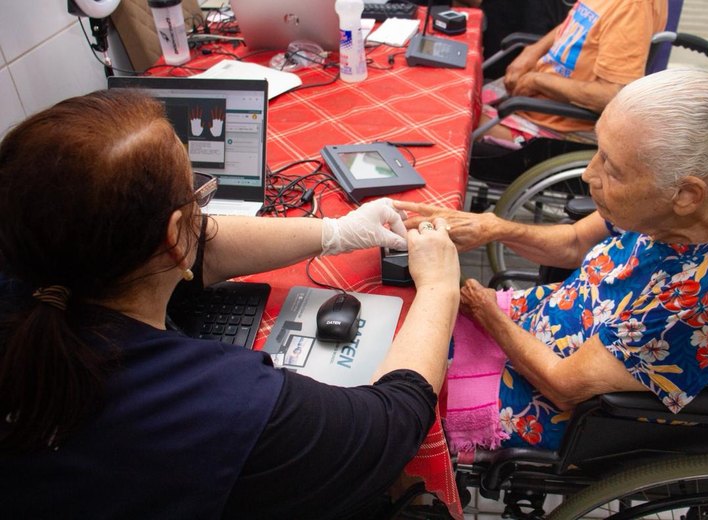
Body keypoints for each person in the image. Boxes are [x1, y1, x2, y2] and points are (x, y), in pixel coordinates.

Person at [0, 90, 461, 518]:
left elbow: (199, 245)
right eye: (200, 196)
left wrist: (337, 232)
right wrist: (440, 286)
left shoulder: (34, 265)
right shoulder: (222, 406)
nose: (206, 215)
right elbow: (393, 422)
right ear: (173, 238)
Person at [396, 68, 708, 450]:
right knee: (402, 316)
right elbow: (573, 241)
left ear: (687, 196)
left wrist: (488, 314)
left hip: (569, 405)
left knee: (398, 406)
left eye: (612, 170)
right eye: (599, 152)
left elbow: (567, 387)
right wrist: (494, 227)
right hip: (554, 322)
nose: (588, 173)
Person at [480, 0, 668, 148]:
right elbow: (579, 21)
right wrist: (534, 50)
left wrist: (537, 81)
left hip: (553, 127)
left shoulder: (632, 7)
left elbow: (613, 94)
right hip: (532, 102)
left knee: (455, 124)